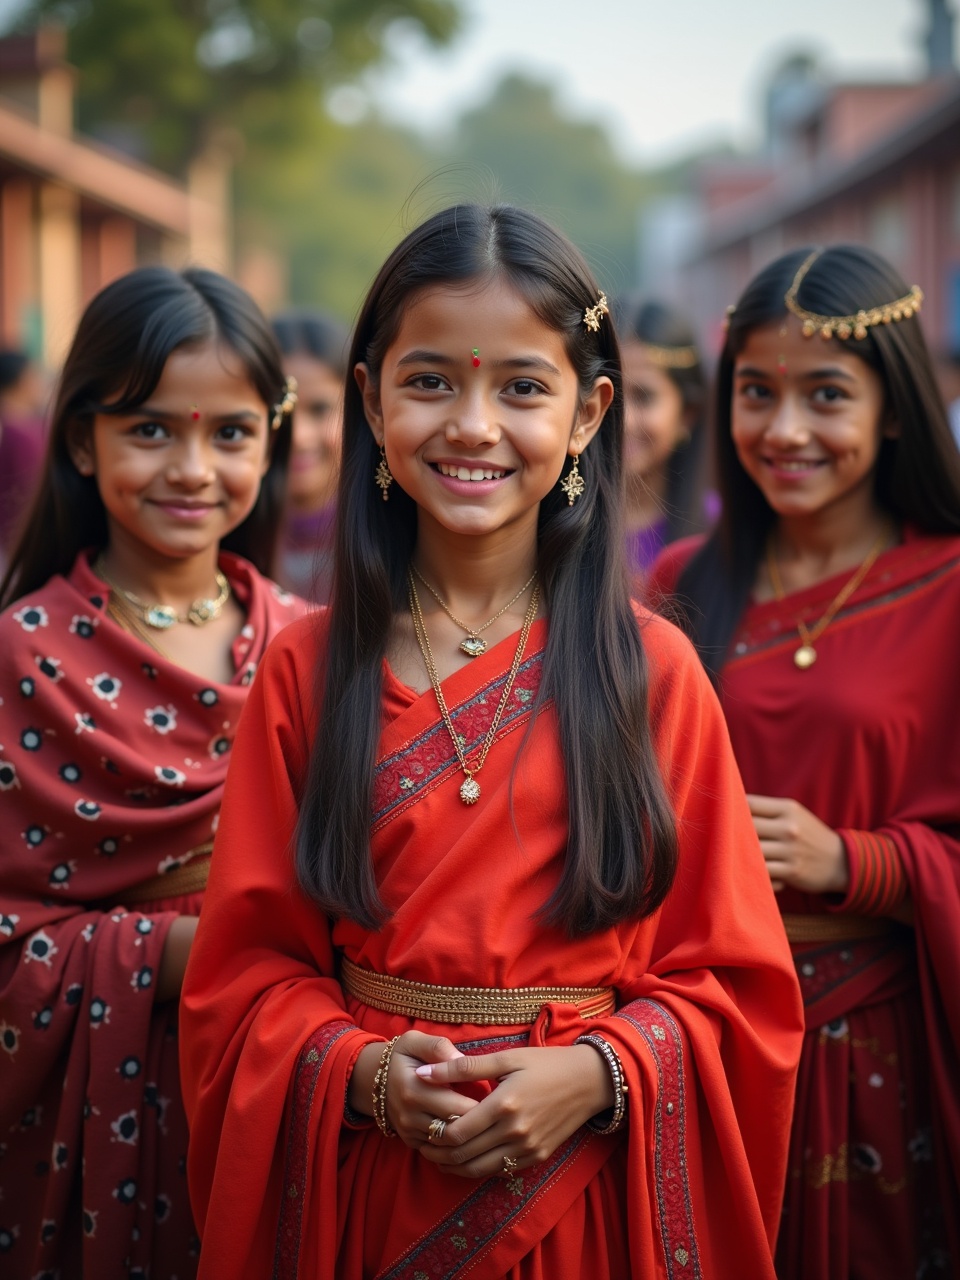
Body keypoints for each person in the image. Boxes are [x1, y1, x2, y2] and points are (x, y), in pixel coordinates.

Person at [180, 203, 803, 1280]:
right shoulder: (304, 669)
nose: (473, 424)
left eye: (521, 385)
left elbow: (739, 985)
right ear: (370, 400)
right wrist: (365, 1072)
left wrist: (601, 1072)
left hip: (589, 1201)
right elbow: (244, 979)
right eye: (430, 381)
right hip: (368, 1188)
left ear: (588, 412)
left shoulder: (651, 673)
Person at [648, 245, 960, 1279]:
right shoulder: (684, 579)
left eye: (825, 395)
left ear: (897, 409)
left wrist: (858, 861)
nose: (783, 431)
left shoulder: (950, 583)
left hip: (883, 1043)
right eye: (756, 392)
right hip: (704, 1031)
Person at [0, 266, 308, 1280]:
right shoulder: (22, 653)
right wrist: (199, 949)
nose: (192, 467)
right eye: (149, 430)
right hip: (91, 1123)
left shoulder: (318, 645)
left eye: (229, 432)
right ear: (82, 440)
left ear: (272, 441)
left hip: (299, 1083)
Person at [616, 298, 712, 577]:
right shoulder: (548, 526)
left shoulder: (721, 534)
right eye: (607, 393)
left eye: (644, 397)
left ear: (687, 415)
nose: (623, 421)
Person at [271, 309, 348, 601]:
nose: (299, 436)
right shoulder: (221, 541)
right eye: (281, 411)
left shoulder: (396, 540)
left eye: (319, 410)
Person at [0, 348, 48, 573]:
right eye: (34, 376)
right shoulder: (19, 432)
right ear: (21, 381)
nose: (40, 383)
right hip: (16, 542)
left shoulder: (27, 426)